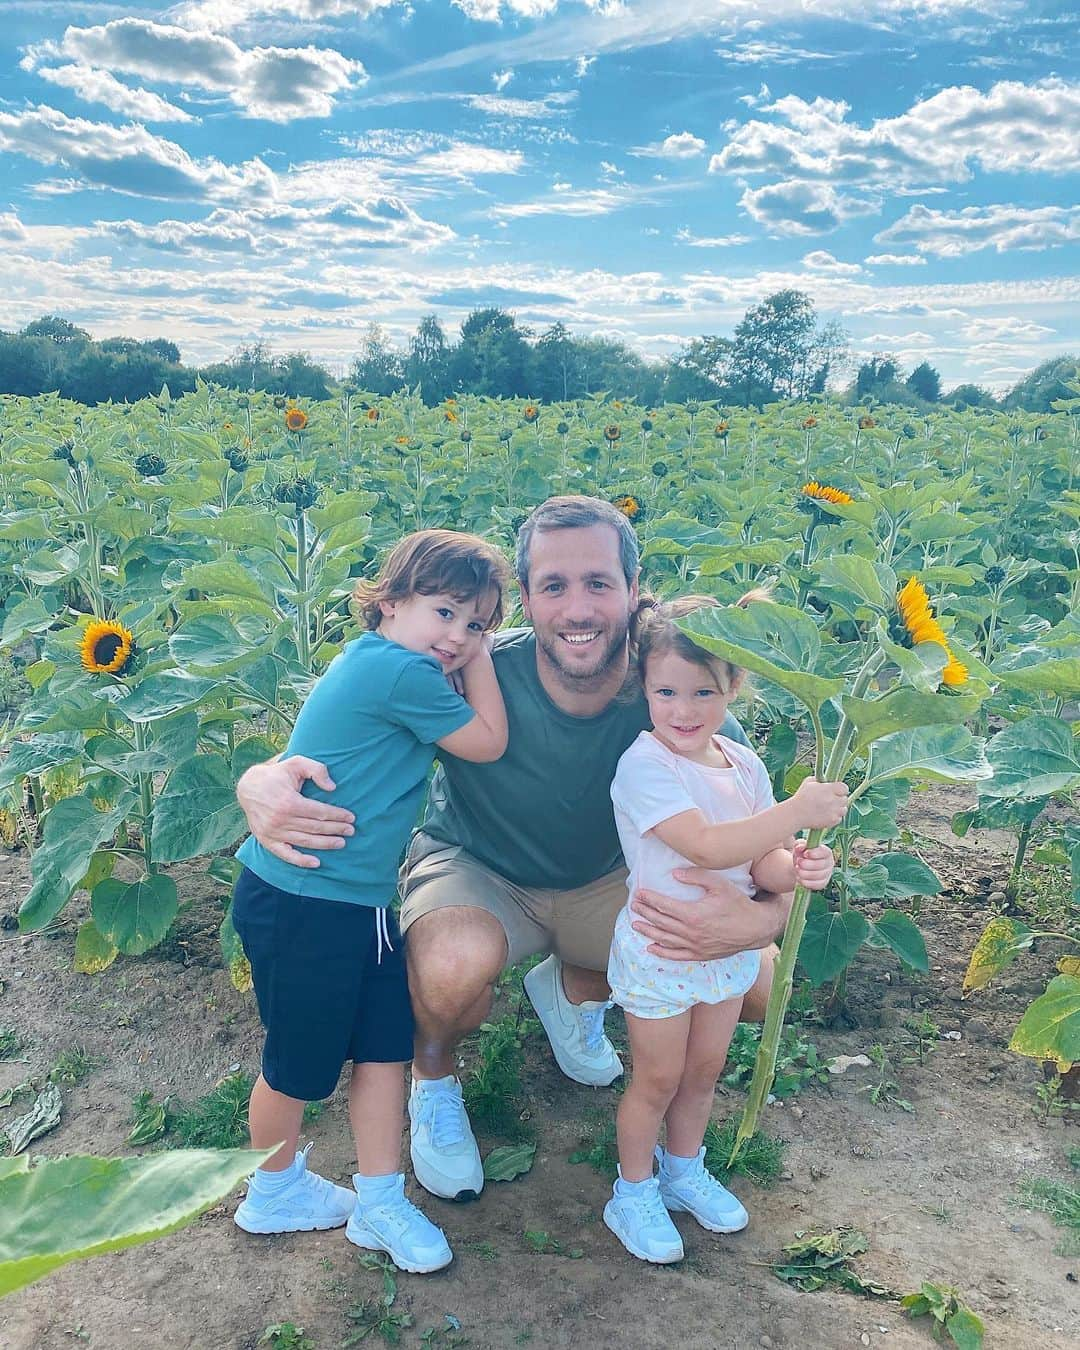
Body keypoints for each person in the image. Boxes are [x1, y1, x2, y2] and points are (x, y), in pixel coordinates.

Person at [236, 497, 798, 1208]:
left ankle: (570, 992)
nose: (577, 609)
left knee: (753, 982)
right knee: (450, 967)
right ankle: (434, 1076)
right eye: (553, 587)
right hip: (480, 867)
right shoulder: (467, 665)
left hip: (608, 883)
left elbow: (769, 839)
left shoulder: (675, 690)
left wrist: (762, 921)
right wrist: (256, 781)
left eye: (598, 583)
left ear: (632, 588)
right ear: (525, 600)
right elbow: (339, 725)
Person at [230, 529, 510, 1274]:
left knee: (386, 1047)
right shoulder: (397, 672)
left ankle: (380, 1200)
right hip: (304, 901)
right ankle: (271, 1189)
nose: (458, 637)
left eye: (477, 624)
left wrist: (465, 643)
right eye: (446, 612)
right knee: (296, 1062)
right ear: (387, 603)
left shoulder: (390, 662)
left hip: (357, 903)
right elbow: (487, 741)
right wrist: (483, 658)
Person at [602, 595, 845, 1263]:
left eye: (704, 691)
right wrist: (798, 808)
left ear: (734, 687)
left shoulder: (744, 766)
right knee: (656, 1077)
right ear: (644, 689)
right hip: (663, 949)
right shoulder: (645, 765)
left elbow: (757, 856)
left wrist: (797, 865)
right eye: (666, 691)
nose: (684, 710)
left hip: (724, 953)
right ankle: (633, 1190)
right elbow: (706, 845)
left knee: (704, 1071)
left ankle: (682, 1170)